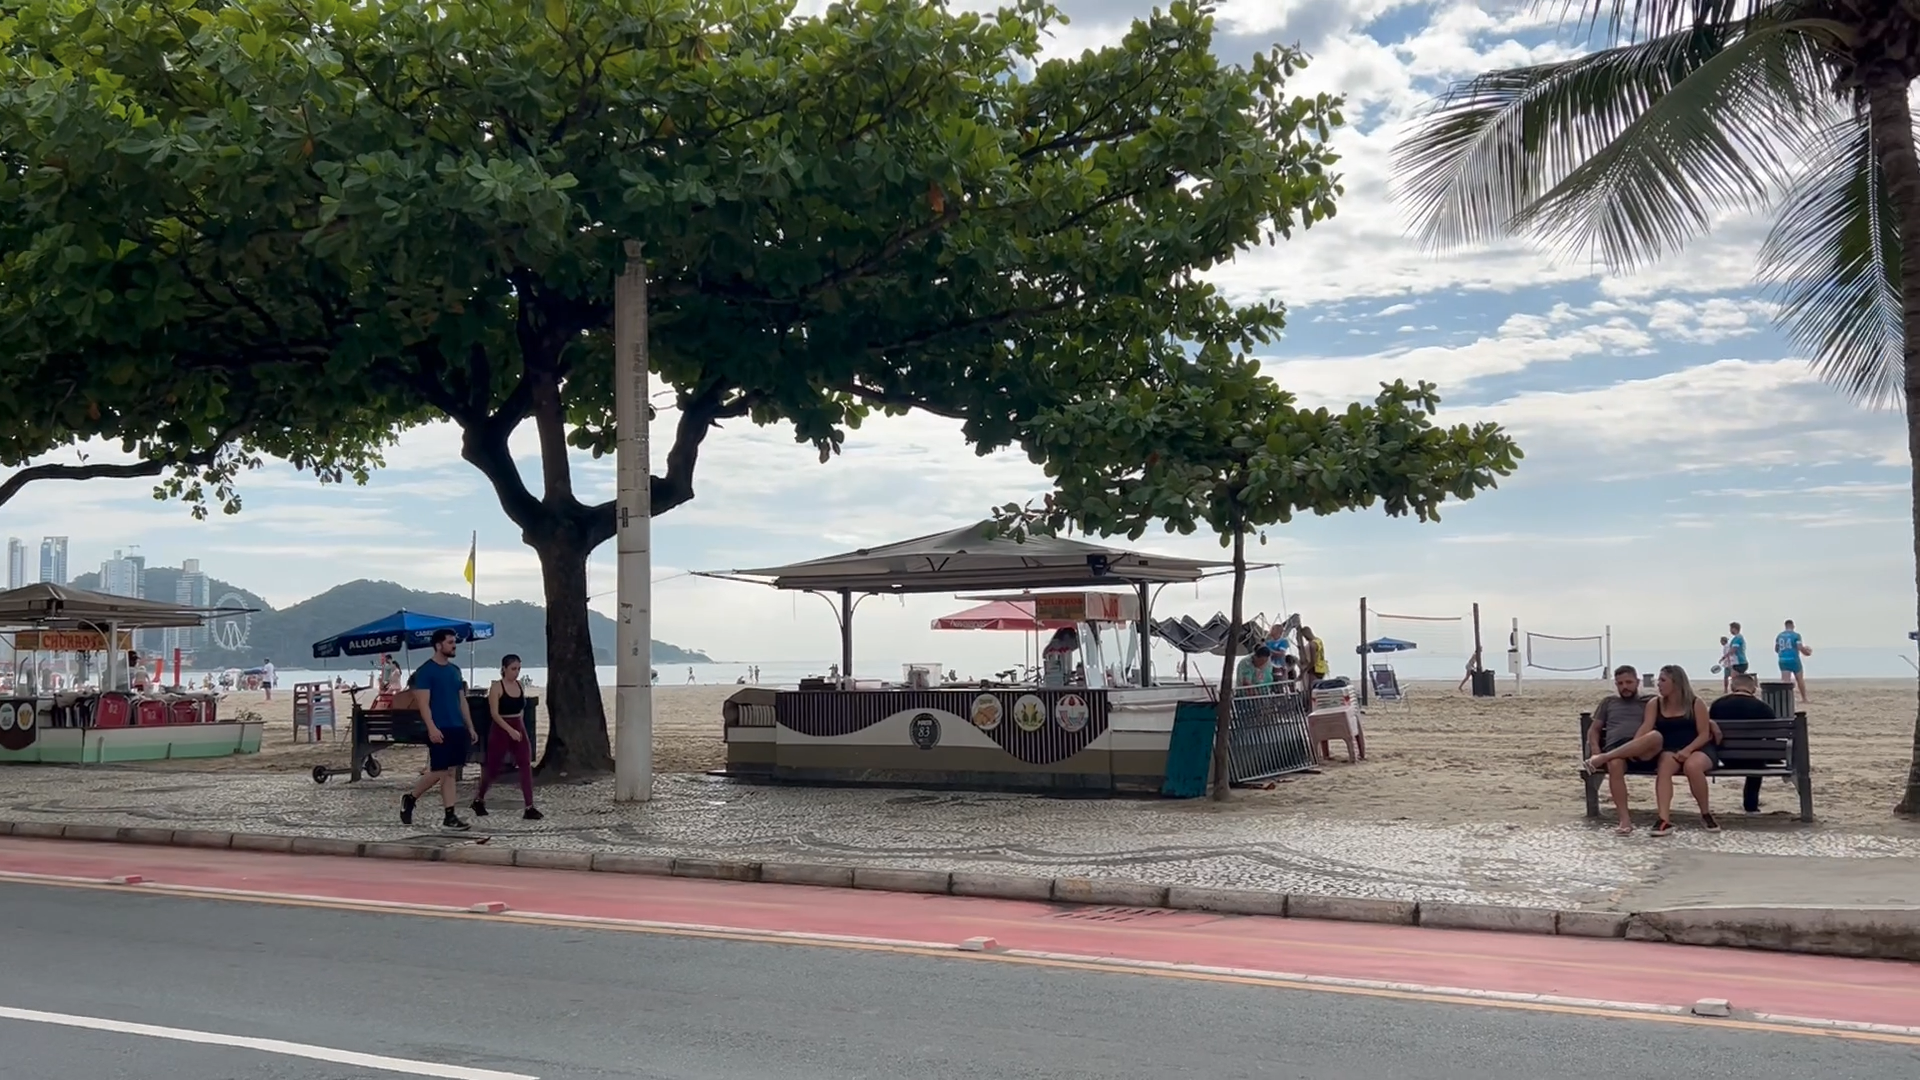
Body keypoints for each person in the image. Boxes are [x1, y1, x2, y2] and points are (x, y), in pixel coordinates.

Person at [400, 629, 477, 831]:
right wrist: (432, 727)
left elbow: (462, 701)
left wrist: (470, 726)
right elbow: (423, 704)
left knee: (450, 772)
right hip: (439, 726)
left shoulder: (455, 671)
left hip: (456, 726)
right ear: (438, 645)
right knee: (440, 771)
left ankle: (449, 815)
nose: (454, 646)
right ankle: (411, 797)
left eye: (454, 642)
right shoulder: (426, 671)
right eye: (450, 642)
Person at [1581, 666, 1661, 834]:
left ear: (1637, 682)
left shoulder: (1650, 701)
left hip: (1643, 750)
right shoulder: (1609, 702)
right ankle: (1624, 820)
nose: (1625, 686)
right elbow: (1594, 730)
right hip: (1616, 749)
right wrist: (1596, 751)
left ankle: (1604, 758)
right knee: (1615, 764)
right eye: (1620, 683)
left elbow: (1677, 713)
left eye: (1629, 682)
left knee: (1655, 736)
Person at [1644, 664, 1718, 835]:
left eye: (1663, 680)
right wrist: (1633, 746)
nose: (1658, 684)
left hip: (1698, 747)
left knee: (1692, 766)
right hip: (1670, 749)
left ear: (1676, 682)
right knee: (1664, 767)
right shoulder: (1655, 704)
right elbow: (1646, 728)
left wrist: (1688, 750)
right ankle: (1663, 819)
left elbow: (1704, 734)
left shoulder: (1695, 703)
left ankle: (1705, 813)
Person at [472, 654, 542, 821]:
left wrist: (520, 728)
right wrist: (509, 729)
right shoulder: (497, 687)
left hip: (518, 726)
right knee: (493, 767)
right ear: (504, 669)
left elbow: (521, 708)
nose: (516, 673)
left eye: (518, 669)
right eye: (513, 669)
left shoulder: (519, 685)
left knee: (525, 765)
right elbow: (494, 714)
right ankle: (479, 799)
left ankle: (529, 806)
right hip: (501, 728)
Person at [1708, 670, 1774, 813]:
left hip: (1726, 757)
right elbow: (1771, 739)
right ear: (1754, 689)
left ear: (1732, 687)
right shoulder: (1764, 708)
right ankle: (1751, 806)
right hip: (1755, 760)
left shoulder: (1717, 705)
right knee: (1757, 759)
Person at [1775, 619, 1811, 701]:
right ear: (1793, 626)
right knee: (1799, 679)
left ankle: (1786, 699)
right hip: (1794, 659)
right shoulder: (1796, 636)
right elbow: (1799, 647)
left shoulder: (1779, 636)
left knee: (1785, 681)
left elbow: (1776, 649)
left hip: (1783, 660)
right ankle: (1804, 698)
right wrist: (1806, 652)